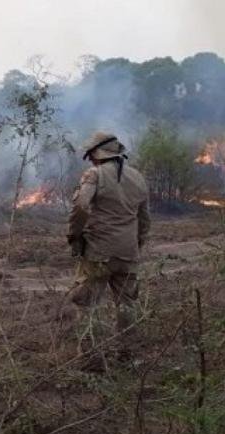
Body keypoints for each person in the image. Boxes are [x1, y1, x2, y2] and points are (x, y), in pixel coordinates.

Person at [67, 132, 150, 338]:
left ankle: (92, 360)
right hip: (128, 253)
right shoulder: (138, 177)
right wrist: (136, 245)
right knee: (127, 303)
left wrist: (74, 235)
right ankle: (128, 354)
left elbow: (81, 206)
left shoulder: (94, 175)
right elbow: (145, 220)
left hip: (98, 253)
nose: (91, 159)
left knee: (87, 304)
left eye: (91, 155)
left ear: (97, 153)